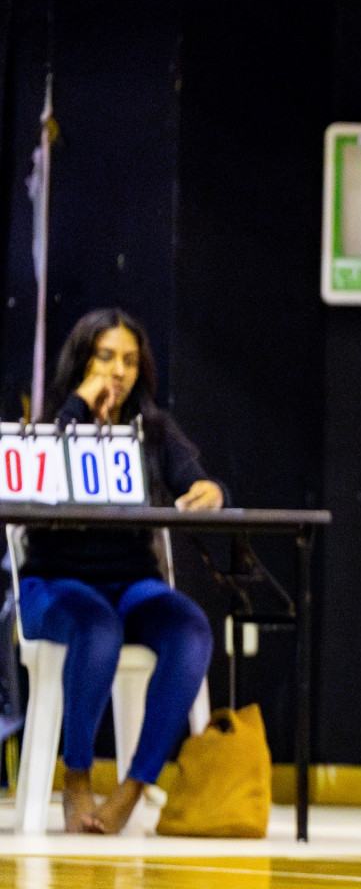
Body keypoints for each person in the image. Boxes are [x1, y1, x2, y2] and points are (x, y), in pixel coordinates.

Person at [18, 308, 221, 834]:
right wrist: (83, 405)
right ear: (82, 360)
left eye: (130, 360)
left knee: (190, 628)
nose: (118, 371)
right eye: (105, 356)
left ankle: (134, 787)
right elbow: (39, 473)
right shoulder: (49, 423)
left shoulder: (151, 428)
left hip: (130, 582)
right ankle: (77, 774)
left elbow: (196, 482)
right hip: (55, 584)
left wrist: (209, 492)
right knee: (97, 624)